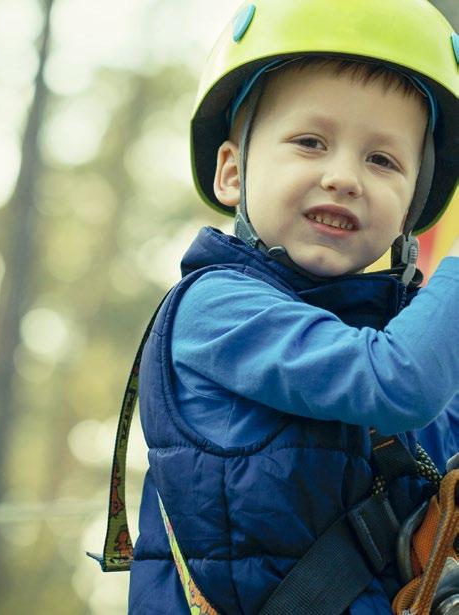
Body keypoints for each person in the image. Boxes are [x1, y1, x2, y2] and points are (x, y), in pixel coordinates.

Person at [127, 1, 459, 613]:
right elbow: (395, 383)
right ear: (232, 171)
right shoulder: (215, 310)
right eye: (310, 142)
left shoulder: (411, 333)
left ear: (415, 203)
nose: (345, 177)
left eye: (382, 159)